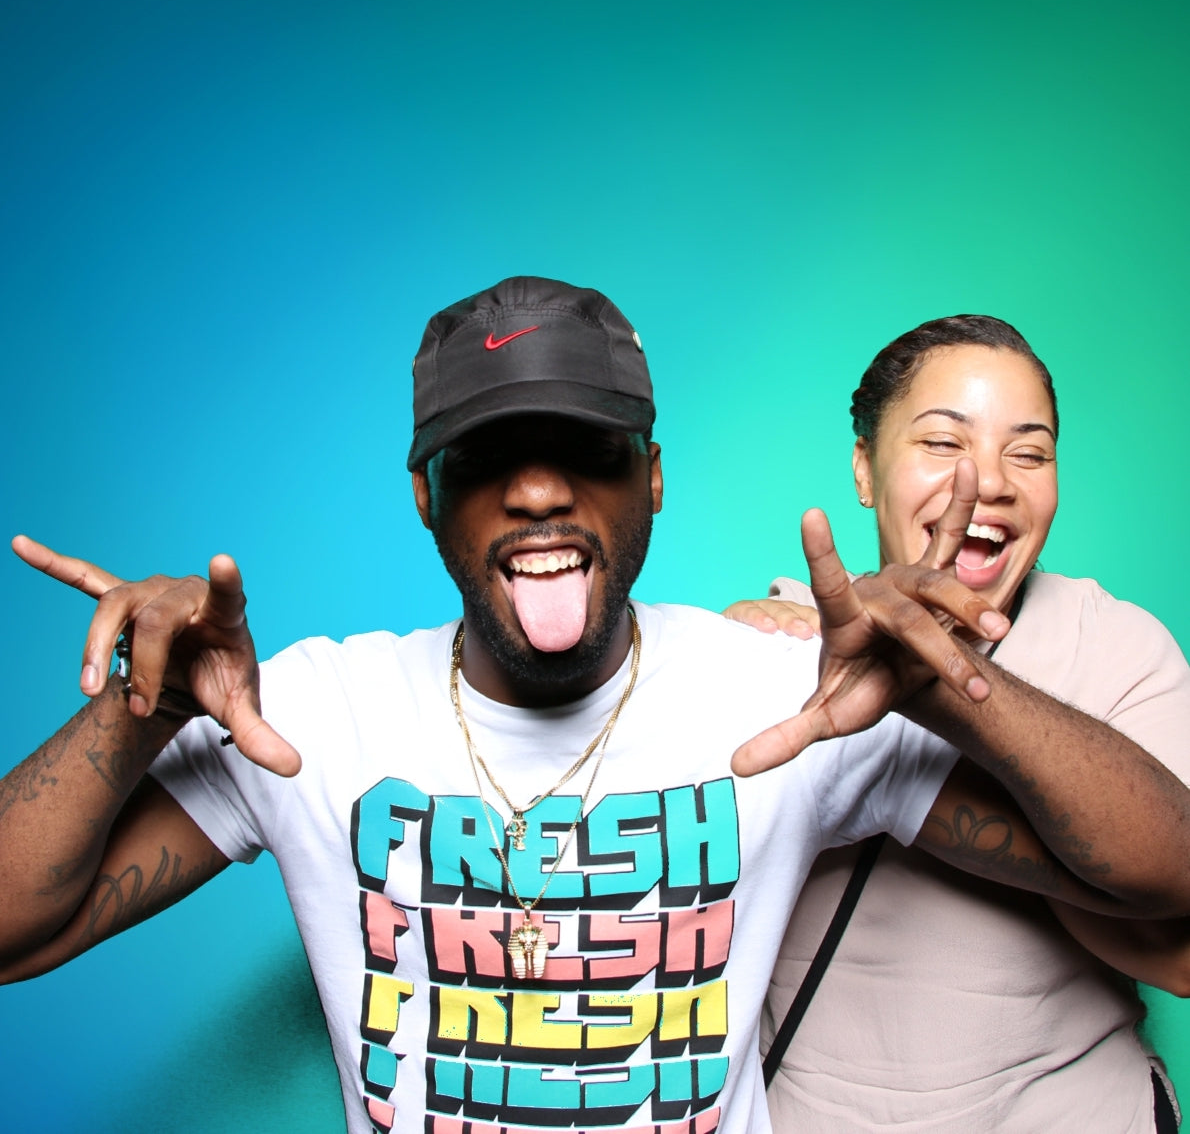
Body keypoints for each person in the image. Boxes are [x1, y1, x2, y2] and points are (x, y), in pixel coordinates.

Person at [3, 281, 1189, 1134]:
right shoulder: (307, 714)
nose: (535, 485)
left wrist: (952, 695)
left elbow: (1162, 877)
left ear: (653, 477)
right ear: (425, 492)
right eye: (487, 452)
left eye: (585, 443)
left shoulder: (782, 698)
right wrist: (138, 710)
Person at [729, 314, 1190, 1132]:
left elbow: (1179, 943)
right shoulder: (769, 654)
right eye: (944, 443)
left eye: (1030, 451)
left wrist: (936, 688)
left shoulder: (1115, 648)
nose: (989, 481)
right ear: (866, 468)